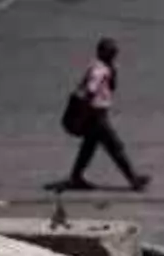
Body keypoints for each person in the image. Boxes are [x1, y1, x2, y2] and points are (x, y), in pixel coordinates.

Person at [64, 38, 149, 191]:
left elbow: (111, 87)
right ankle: (133, 179)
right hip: (95, 115)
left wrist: (113, 72)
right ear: (102, 52)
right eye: (111, 52)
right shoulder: (99, 70)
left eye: (114, 52)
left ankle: (75, 177)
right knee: (115, 146)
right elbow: (90, 92)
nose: (114, 55)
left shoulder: (104, 67)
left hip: (97, 114)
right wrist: (83, 116)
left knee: (88, 148)